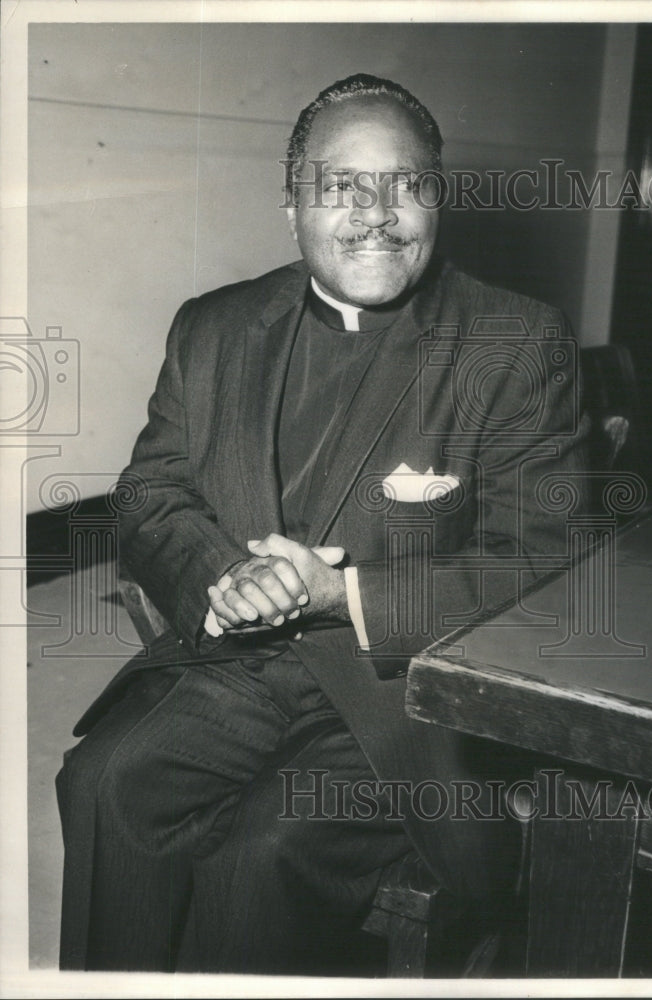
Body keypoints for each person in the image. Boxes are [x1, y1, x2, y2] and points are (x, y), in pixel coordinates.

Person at [56, 73, 588, 974]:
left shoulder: (515, 340)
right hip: (236, 666)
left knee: (263, 856)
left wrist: (345, 593)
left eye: (407, 183)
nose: (377, 214)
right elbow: (151, 492)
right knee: (106, 782)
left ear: (438, 196)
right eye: (341, 185)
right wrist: (217, 575)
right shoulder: (212, 327)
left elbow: (550, 560)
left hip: (403, 695)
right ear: (290, 201)